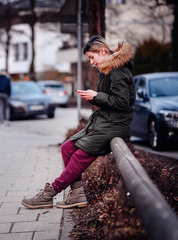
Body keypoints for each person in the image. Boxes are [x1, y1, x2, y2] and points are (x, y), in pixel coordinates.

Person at [21, 35, 135, 209]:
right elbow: (111, 100)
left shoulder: (117, 70)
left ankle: (50, 193)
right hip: (105, 122)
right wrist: (93, 96)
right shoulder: (108, 68)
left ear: (102, 51)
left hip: (114, 125)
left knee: (81, 155)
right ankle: (77, 194)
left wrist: (96, 95)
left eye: (92, 57)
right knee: (67, 148)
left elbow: (122, 103)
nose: (91, 62)